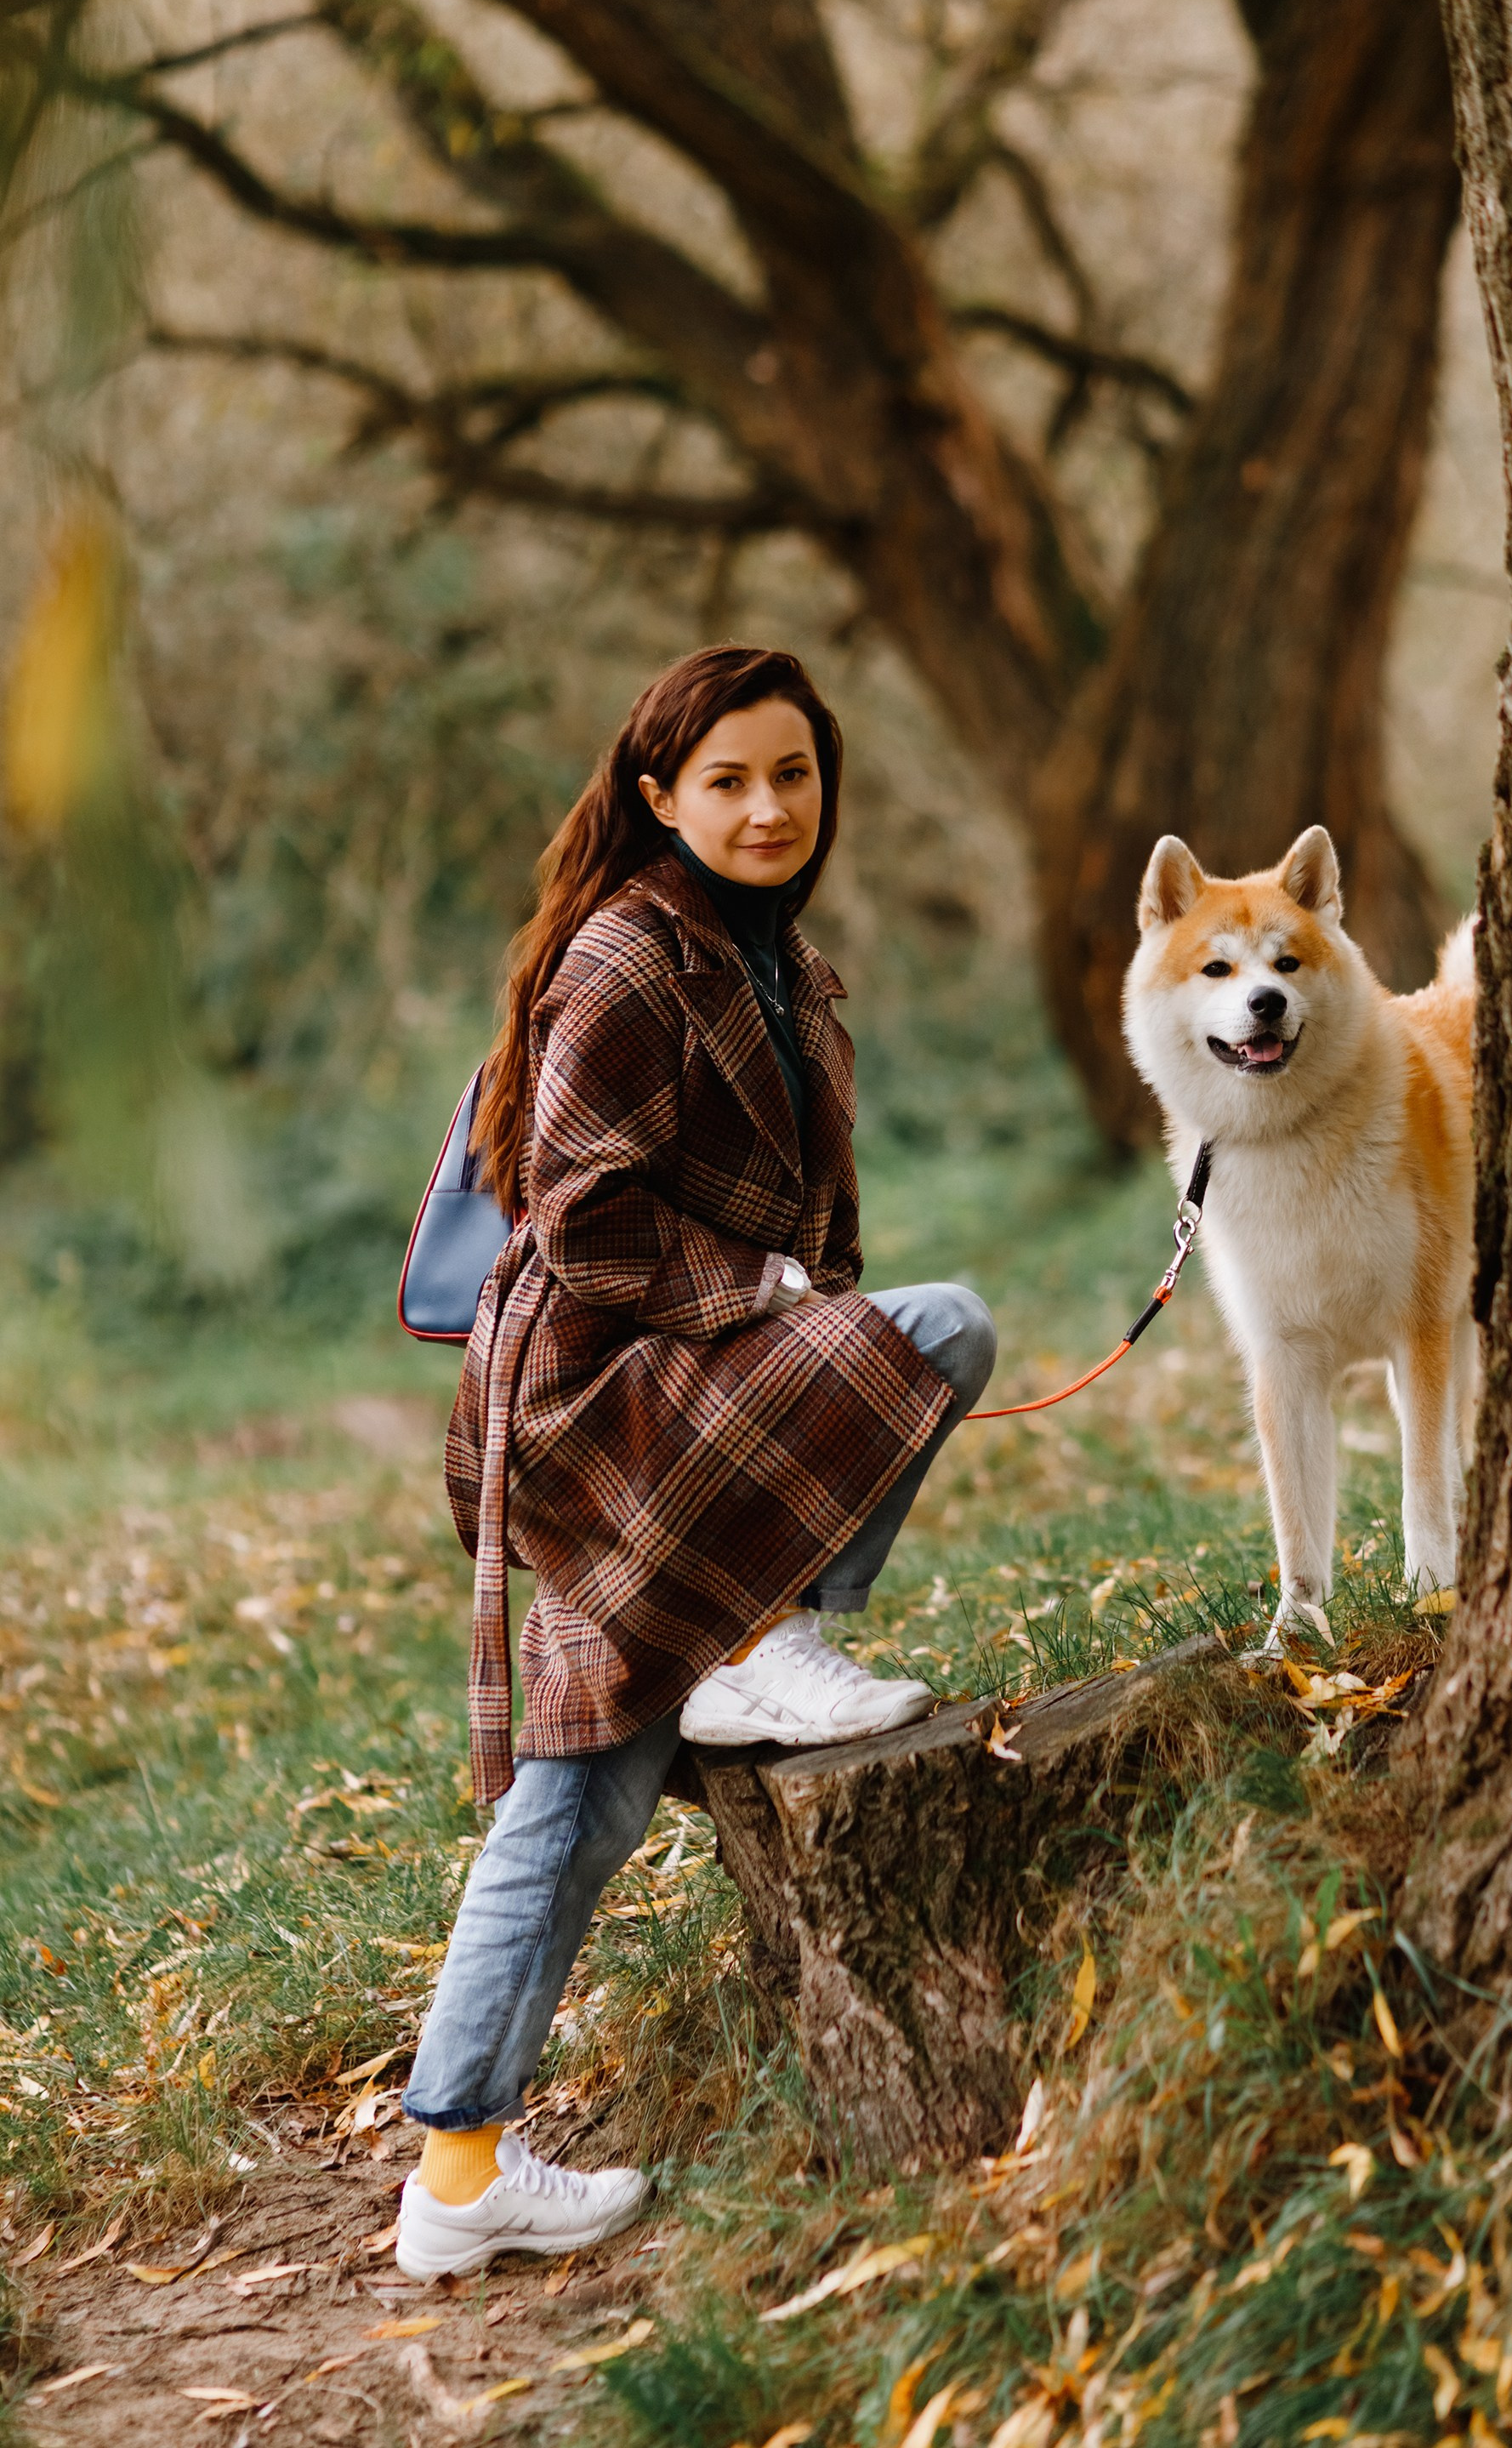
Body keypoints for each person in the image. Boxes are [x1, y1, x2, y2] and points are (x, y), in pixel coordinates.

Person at [394, 645, 996, 2280]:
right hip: (600, 1400)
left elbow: (806, 1196)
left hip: (691, 1381)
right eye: (726, 780)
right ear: (661, 795)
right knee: (940, 1333)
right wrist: (787, 1303)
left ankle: (455, 2172)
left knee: (578, 1797)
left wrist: (800, 1305)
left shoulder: (775, 961)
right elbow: (584, 1228)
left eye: (792, 775)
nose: (766, 807)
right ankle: (761, 1636)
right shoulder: (624, 957)